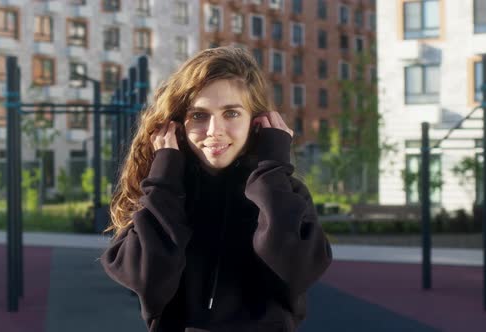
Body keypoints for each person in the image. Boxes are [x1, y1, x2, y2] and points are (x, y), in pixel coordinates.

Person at [101, 47, 332, 332]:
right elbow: (148, 280)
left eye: (231, 113)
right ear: (178, 125)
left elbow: (295, 272)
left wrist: (271, 170)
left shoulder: (283, 193)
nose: (214, 130)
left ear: (255, 121)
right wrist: (163, 178)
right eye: (199, 115)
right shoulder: (162, 194)